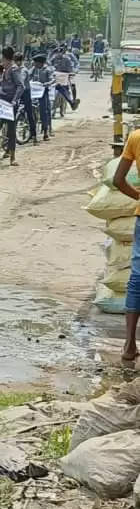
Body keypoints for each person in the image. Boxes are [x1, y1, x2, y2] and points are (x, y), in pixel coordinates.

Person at [113, 128, 140, 361]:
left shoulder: (136, 137)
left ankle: (129, 345)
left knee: (137, 279)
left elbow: (117, 180)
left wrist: (138, 197)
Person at [0, 45, 25, 165]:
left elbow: (21, 86)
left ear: (4, 57)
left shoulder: (14, 69)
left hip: (10, 102)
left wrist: (14, 100)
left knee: (11, 130)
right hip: (2, 100)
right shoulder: (3, 68)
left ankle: (13, 157)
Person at [26, 54, 54, 142]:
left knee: (44, 111)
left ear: (40, 63)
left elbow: (52, 79)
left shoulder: (47, 70)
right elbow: (28, 76)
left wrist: (47, 84)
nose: (34, 64)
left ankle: (45, 131)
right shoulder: (33, 69)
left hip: (43, 92)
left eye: (36, 63)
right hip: (33, 91)